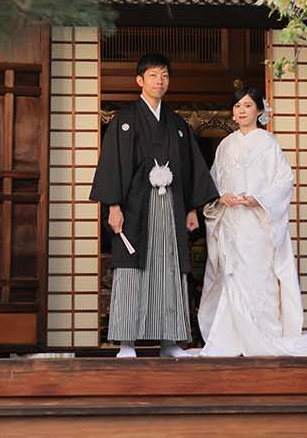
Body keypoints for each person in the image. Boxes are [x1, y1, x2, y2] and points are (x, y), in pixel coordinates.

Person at [198, 85, 307, 357]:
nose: (241, 110)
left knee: (258, 276)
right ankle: (231, 338)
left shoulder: (268, 143)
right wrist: (221, 197)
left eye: (247, 105)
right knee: (230, 275)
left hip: (257, 222)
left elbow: (284, 181)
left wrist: (260, 199)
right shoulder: (225, 145)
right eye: (237, 106)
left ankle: (262, 334)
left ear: (259, 111)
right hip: (231, 222)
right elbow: (213, 181)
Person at [90, 52, 218, 358]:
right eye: (152, 75)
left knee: (170, 267)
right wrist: (113, 206)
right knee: (131, 268)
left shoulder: (176, 124)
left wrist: (191, 208)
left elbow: (189, 168)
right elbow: (112, 164)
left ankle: (171, 341)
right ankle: (126, 342)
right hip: (135, 206)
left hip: (171, 206)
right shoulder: (124, 120)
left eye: (164, 76)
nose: (159, 81)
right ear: (139, 80)